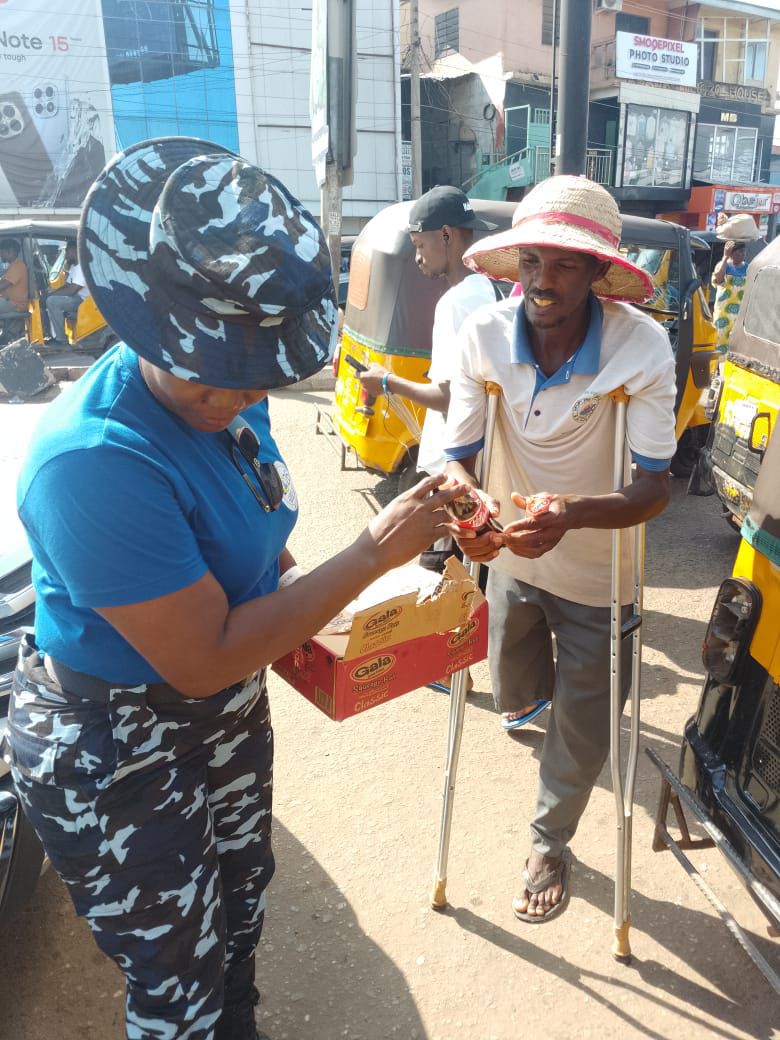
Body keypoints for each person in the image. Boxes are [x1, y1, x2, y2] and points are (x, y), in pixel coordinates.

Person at [8, 138, 460, 1040]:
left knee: (240, 912)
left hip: (217, 714)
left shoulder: (230, 387)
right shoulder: (95, 462)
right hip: (117, 740)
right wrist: (373, 552)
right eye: (207, 372)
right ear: (147, 320)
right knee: (177, 981)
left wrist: (352, 613)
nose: (230, 397)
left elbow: (259, 533)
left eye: (249, 375)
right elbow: (205, 654)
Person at [442, 175, 677, 922]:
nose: (544, 281)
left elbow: (652, 491)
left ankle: (550, 839)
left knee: (583, 719)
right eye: (534, 262)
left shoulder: (641, 347)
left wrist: (571, 514)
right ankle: (529, 706)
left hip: (598, 568)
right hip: (510, 553)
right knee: (511, 687)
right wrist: (465, 501)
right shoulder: (483, 335)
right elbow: (458, 453)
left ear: (601, 274)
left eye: (567, 265)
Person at [357, 185, 498, 574]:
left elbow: (451, 398)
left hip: (450, 466)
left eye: (421, 245)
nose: (418, 257)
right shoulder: (485, 289)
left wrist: (387, 382)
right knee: (472, 567)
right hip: (476, 457)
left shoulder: (454, 303)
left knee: (441, 573)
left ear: (447, 236)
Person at [45, 241, 88, 345]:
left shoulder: (82, 267)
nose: (65, 254)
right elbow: (67, 285)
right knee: (49, 297)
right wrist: (52, 292)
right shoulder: (74, 267)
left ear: (74, 251)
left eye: (67, 251)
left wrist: (52, 295)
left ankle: (61, 338)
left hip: (83, 301)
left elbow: (72, 289)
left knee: (52, 301)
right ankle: (49, 334)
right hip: (76, 297)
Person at [712, 239, 749, 353]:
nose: (742, 255)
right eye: (739, 252)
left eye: (743, 252)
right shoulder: (723, 266)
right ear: (731, 253)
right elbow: (718, 279)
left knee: (737, 342)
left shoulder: (748, 268)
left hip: (740, 313)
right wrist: (724, 257)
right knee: (720, 339)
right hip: (724, 312)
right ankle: (718, 367)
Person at [0, 238, 29, 342]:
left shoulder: (18, 266)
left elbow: (3, 285)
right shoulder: (12, 266)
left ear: (10, 251)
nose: (0, 256)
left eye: (2, 253)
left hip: (15, 304)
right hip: (9, 301)